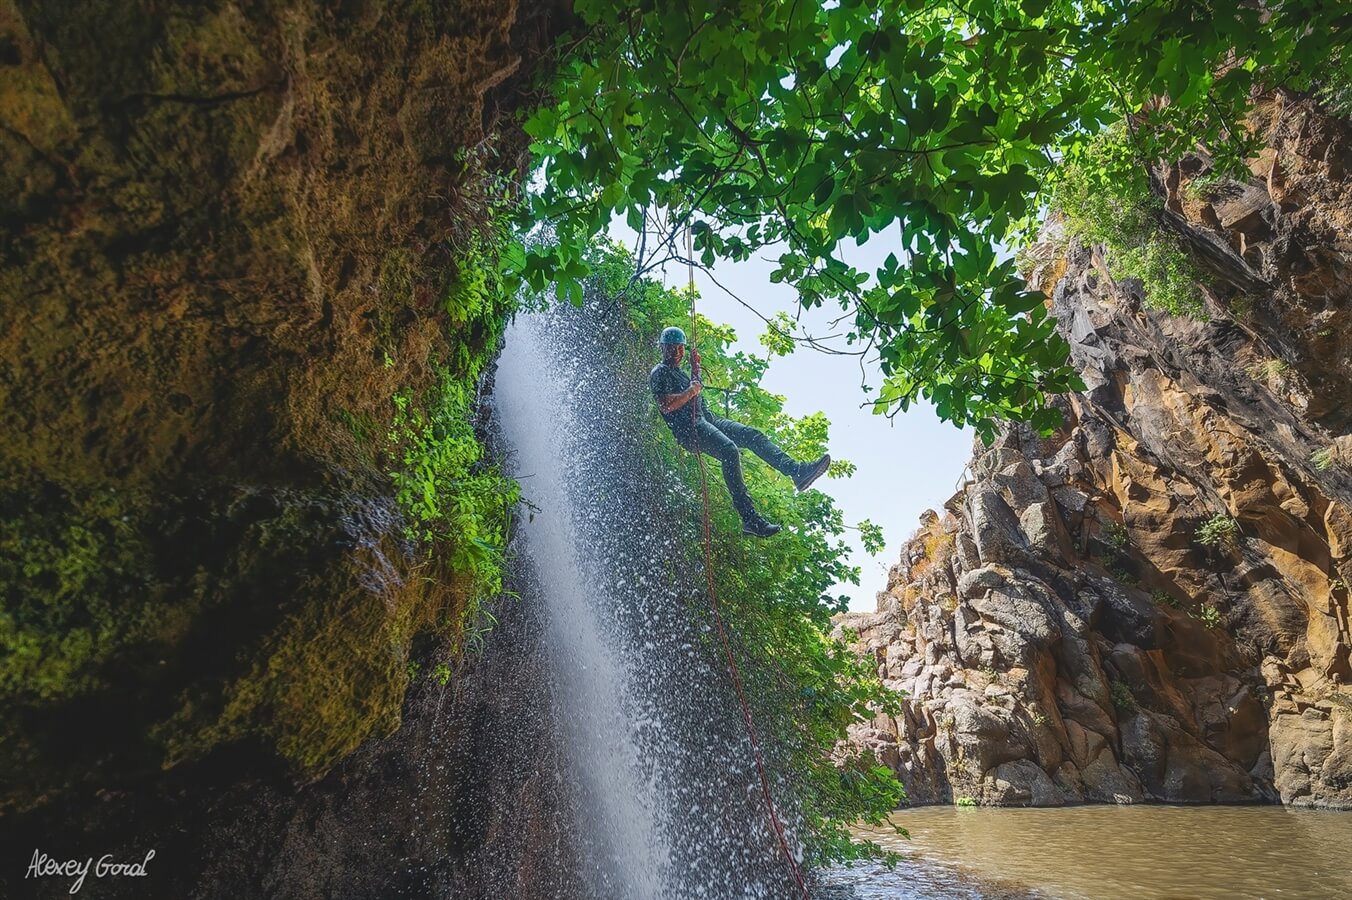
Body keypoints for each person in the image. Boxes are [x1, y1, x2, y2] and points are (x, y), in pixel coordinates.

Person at [649, 326, 831, 538]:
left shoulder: (679, 372)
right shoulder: (659, 372)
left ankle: (797, 472)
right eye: (672, 348)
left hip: (707, 419)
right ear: (662, 348)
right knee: (729, 450)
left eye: (680, 348)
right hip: (690, 430)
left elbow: (693, 390)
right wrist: (692, 389)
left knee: (752, 435)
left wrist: (695, 369)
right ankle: (750, 519)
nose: (677, 353)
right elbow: (666, 405)